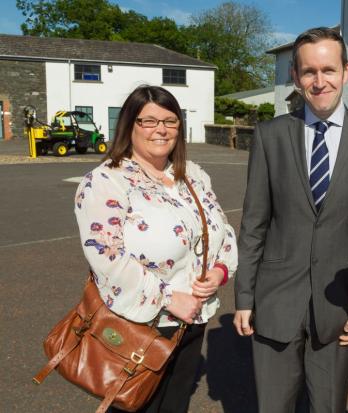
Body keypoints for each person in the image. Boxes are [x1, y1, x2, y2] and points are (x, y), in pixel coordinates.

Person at [233, 27, 348, 412]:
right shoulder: (270, 136)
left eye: (328, 70)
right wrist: (243, 297)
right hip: (275, 300)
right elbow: (254, 223)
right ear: (295, 76)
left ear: (346, 71)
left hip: (341, 304)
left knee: (328, 407)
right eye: (308, 72)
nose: (319, 81)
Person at [74, 85, 238, 413]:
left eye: (170, 121)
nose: (161, 129)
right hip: (141, 321)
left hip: (194, 317)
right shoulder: (106, 181)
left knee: (174, 405)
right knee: (134, 405)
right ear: (129, 126)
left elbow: (225, 232)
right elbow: (106, 255)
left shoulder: (192, 176)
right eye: (148, 121)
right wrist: (168, 298)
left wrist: (218, 272)